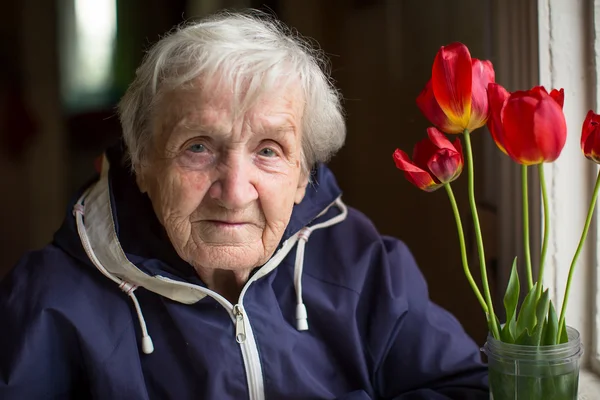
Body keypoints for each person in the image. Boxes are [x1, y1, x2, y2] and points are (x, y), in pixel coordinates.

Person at [0, 10, 489, 400]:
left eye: (269, 150)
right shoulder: (50, 296)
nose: (235, 191)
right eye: (198, 147)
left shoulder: (363, 264)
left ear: (303, 175)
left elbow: (464, 388)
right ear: (144, 163)